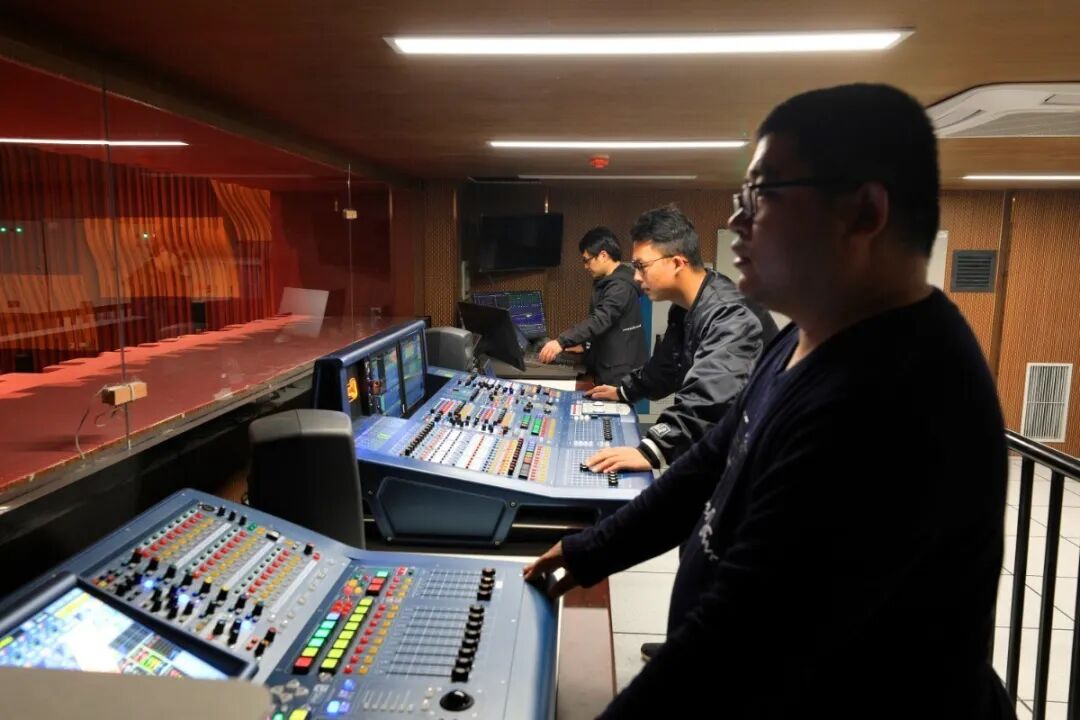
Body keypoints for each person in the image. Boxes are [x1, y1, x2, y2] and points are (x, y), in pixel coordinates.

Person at [524, 83, 1013, 719]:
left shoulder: (894, 394)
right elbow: (710, 462)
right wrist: (591, 550)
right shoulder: (807, 335)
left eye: (762, 197)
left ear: (863, 213)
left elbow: (743, 637)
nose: (735, 222)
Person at [583, 205, 778, 474]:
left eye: (641, 266)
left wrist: (653, 449)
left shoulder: (728, 313)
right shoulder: (685, 307)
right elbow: (667, 367)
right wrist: (624, 391)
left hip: (765, 453)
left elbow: (711, 397)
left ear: (677, 263)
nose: (636, 277)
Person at [538, 226, 647, 385]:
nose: (585, 266)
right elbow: (609, 326)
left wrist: (561, 341)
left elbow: (600, 319)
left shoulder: (620, 286)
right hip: (612, 363)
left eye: (587, 260)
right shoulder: (610, 281)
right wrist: (585, 345)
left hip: (618, 371)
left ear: (603, 255)